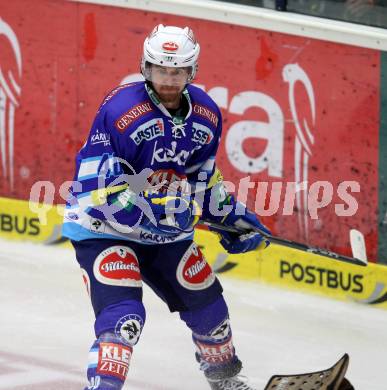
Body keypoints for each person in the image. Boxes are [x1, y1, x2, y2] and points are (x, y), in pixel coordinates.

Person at [62, 24, 270, 390]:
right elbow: (91, 187)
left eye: (177, 71)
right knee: (124, 320)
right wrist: (145, 206)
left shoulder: (206, 115)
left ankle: (224, 381)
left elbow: (203, 177)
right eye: (161, 69)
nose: (169, 79)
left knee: (212, 314)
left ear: (192, 71)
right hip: (104, 232)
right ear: (146, 67)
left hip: (166, 235)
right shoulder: (122, 110)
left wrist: (229, 218)